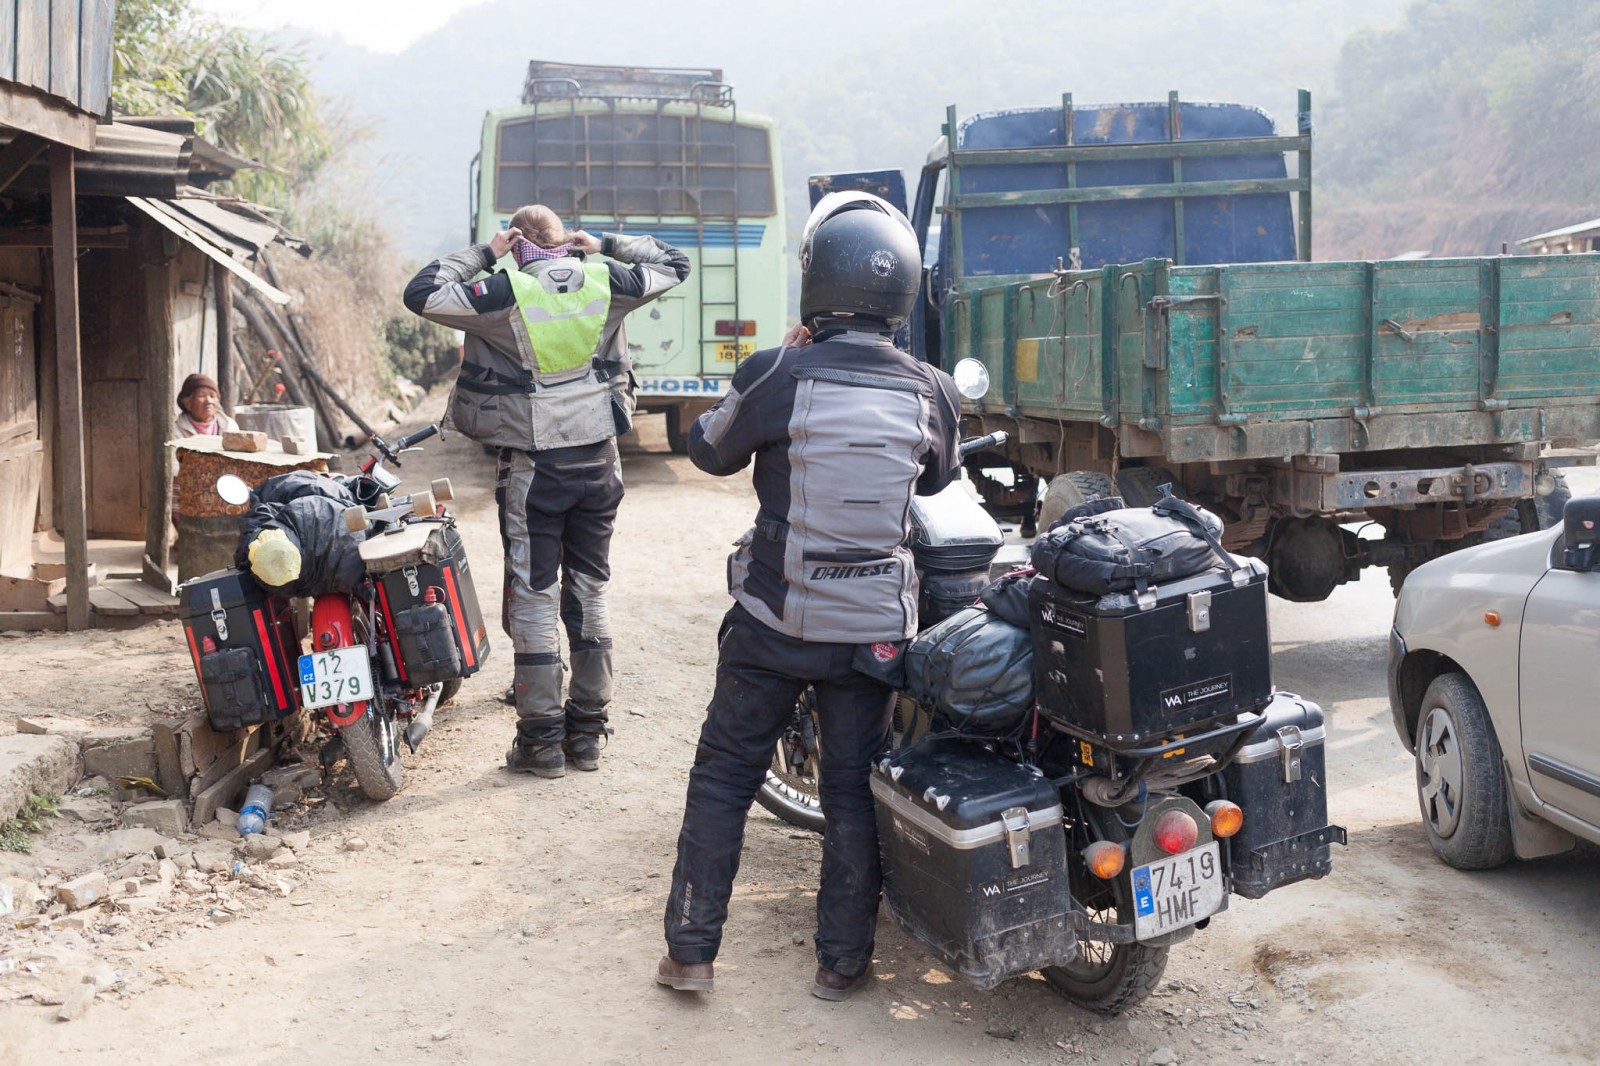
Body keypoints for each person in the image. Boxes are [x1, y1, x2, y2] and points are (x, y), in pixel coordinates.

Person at [656, 192, 961, 1001]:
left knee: (723, 777)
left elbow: (708, 450)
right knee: (853, 791)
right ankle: (841, 964)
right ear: (902, 296)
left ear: (814, 287)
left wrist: (769, 369)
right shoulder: (931, 389)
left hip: (771, 624)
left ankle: (691, 954)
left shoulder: (780, 372)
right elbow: (937, 476)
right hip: (871, 636)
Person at [404, 205, 689, 778]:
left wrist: (487, 252)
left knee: (534, 596)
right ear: (565, 241)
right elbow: (676, 263)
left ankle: (540, 740)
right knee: (590, 590)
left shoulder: (501, 293)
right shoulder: (611, 283)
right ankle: (586, 732)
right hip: (601, 463)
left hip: (537, 469)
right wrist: (604, 240)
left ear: (517, 242)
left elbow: (423, 291)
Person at [172, 373, 239, 439]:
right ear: (188, 404)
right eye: (201, 396)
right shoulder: (175, 430)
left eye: (212, 396)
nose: (209, 401)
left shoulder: (230, 426)